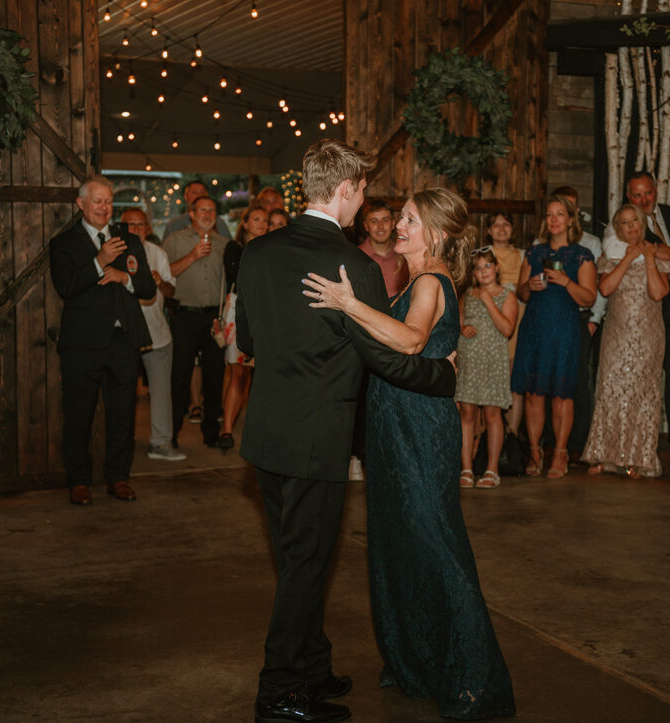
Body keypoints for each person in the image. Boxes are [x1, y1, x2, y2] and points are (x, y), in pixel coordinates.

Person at [237, 140, 457, 723]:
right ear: (343, 190)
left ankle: (311, 668)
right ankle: (279, 690)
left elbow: (247, 343)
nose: (364, 205)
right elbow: (383, 359)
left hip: (264, 435)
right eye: (361, 191)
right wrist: (440, 376)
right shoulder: (354, 267)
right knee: (307, 562)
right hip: (316, 441)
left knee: (295, 559)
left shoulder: (256, 253)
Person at [303, 187, 516, 720]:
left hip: (419, 429)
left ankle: (474, 679)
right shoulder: (413, 279)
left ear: (437, 233)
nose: (398, 226)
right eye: (400, 218)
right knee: (398, 543)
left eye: (410, 220)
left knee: (434, 544)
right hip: (393, 425)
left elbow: (413, 340)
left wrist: (348, 303)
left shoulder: (428, 279)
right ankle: (416, 661)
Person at [49, 176, 155, 505]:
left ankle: (118, 478)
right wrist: (100, 261)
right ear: (80, 204)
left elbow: (148, 289)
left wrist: (124, 277)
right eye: (97, 201)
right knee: (79, 415)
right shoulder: (64, 243)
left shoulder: (128, 240)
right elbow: (66, 286)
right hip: (81, 345)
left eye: (108, 201)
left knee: (123, 415)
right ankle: (79, 481)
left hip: (123, 342)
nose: (103, 207)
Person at [603, 171, 670, 443]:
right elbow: (612, 249)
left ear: (655, 190)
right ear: (628, 195)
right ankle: (638, 435)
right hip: (642, 307)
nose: (644, 199)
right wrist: (654, 250)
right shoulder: (621, 220)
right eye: (637, 194)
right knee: (642, 370)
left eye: (648, 193)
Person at [584, 204, 670, 477]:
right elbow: (605, 288)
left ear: (642, 223)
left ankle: (637, 459)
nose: (631, 226)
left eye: (635, 221)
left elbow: (659, 294)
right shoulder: (611, 255)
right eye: (624, 223)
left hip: (648, 336)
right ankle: (603, 455)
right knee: (610, 388)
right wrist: (627, 259)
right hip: (616, 333)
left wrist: (648, 258)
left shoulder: (658, 255)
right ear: (618, 227)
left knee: (643, 394)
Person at [511, 196, 597, 478]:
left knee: (562, 395)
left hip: (564, 330)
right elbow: (520, 293)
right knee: (534, 393)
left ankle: (560, 453)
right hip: (535, 327)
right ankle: (535, 451)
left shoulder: (581, 255)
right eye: (550, 214)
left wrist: (566, 282)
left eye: (560, 214)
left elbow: (589, 297)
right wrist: (530, 286)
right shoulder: (534, 254)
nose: (554, 220)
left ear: (571, 220)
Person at [120, 208, 185, 462]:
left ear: (147, 228)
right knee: (124, 391)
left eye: (141, 225)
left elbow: (170, 292)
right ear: (122, 227)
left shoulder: (157, 253)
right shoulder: (114, 252)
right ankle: (123, 440)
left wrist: (159, 282)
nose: (136, 229)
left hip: (157, 332)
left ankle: (160, 443)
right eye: (131, 225)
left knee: (160, 392)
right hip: (124, 334)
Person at [164, 195, 229, 449]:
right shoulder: (175, 240)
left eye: (211, 210)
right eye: (202, 210)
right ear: (191, 213)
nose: (207, 214)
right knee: (179, 375)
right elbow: (165, 275)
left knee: (215, 377)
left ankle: (211, 432)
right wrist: (192, 256)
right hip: (185, 316)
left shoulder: (224, 244)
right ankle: (171, 434)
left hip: (214, 318)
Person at [551, 186, 607, 459]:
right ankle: (550, 443)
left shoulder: (591, 244)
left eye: (569, 207)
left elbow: (595, 287)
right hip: (549, 321)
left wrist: (594, 319)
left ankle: (578, 445)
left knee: (577, 382)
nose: (563, 214)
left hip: (580, 319)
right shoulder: (544, 244)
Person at [456, 248, 518, 490]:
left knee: (493, 415)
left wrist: (488, 300)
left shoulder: (507, 296)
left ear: (497, 268)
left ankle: (492, 469)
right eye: (478, 268)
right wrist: (461, 328)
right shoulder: (467, 295)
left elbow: (507, 329)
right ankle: (467, 469)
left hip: (493, 361)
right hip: (470, 360)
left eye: (487, 266)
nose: (483, 271)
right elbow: (458, 322)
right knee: (467, 415)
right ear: (473, 272)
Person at [217, 204, 268, 450]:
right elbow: (237, 278)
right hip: (240, 308)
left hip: (267, 309)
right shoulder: (235, 248)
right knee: (238, 372)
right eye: (256, 219)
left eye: (264, 220)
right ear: (245, 223)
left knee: (258, 375)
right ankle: (226, 429)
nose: (261, 224)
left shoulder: (272, 248)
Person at [482, 209, 525, 432]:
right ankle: (486, 436)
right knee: (488, 381)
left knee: (512, 382)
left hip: (516, 322)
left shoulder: (523, 255)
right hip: (487, 322)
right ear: (489, 231)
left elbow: (526, 289)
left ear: (512, 229)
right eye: (496, 225)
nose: (501, 229)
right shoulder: (481, 255)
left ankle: (511, 436)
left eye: (506, 224)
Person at [358, 200, 408, 297]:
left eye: (385, 220)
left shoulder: (405, 257)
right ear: (366, 226)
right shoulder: (355, 256)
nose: (380, 227)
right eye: (374, 221)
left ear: (393, 224)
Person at [163, 179, 232, 241]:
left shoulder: (217, 222)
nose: (199, 195)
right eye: (194, 193)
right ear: (186, 197)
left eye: (202, 192)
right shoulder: (175, 224)